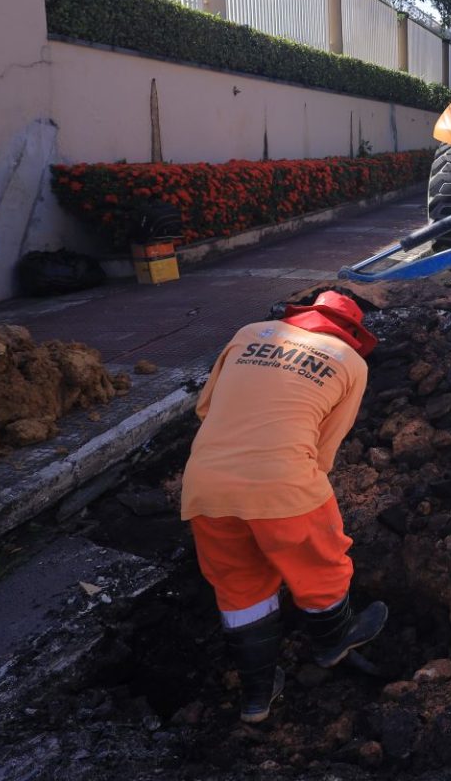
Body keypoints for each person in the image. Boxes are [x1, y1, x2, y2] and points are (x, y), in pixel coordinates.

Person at [181, 290, 389, 723]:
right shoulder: (351, 363)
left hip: (204, 483)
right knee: (320, 562)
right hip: (283, 484)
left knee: (239, 585)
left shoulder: (247, 334)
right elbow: (325, 449)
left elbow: (205, 409)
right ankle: (333, 641)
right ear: (351, 332)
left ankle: (256, 695)